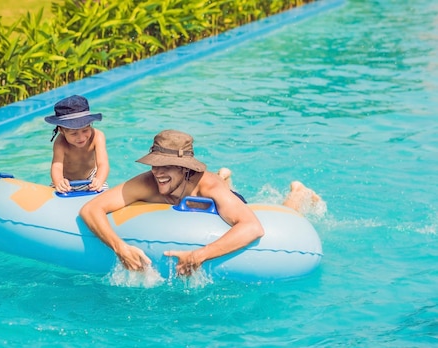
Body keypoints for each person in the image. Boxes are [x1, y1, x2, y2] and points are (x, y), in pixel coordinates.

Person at [79, 129, 322, 276]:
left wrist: (199, 255)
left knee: (284, 213)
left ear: (185, 168)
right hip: (196, 199)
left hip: (218, 202)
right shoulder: (147, 182)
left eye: (166, 166)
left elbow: (252, 227)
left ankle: (297, 192)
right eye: (155, 164)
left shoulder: (208, 186)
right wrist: (120, 248)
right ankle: (227, 176)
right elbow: (91, 208)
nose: (157, 172)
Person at [45, 95, 109, 193]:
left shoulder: (98, 136)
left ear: (90, 124)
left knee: (105, 201)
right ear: (61, 130)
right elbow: (56, 166)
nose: (81, 137)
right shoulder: (60, 142)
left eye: (85, 130)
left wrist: (99, 180)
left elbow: (103, 164)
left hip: (91, 179)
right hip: (66, 181)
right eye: (74, 133)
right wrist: (59, 182)